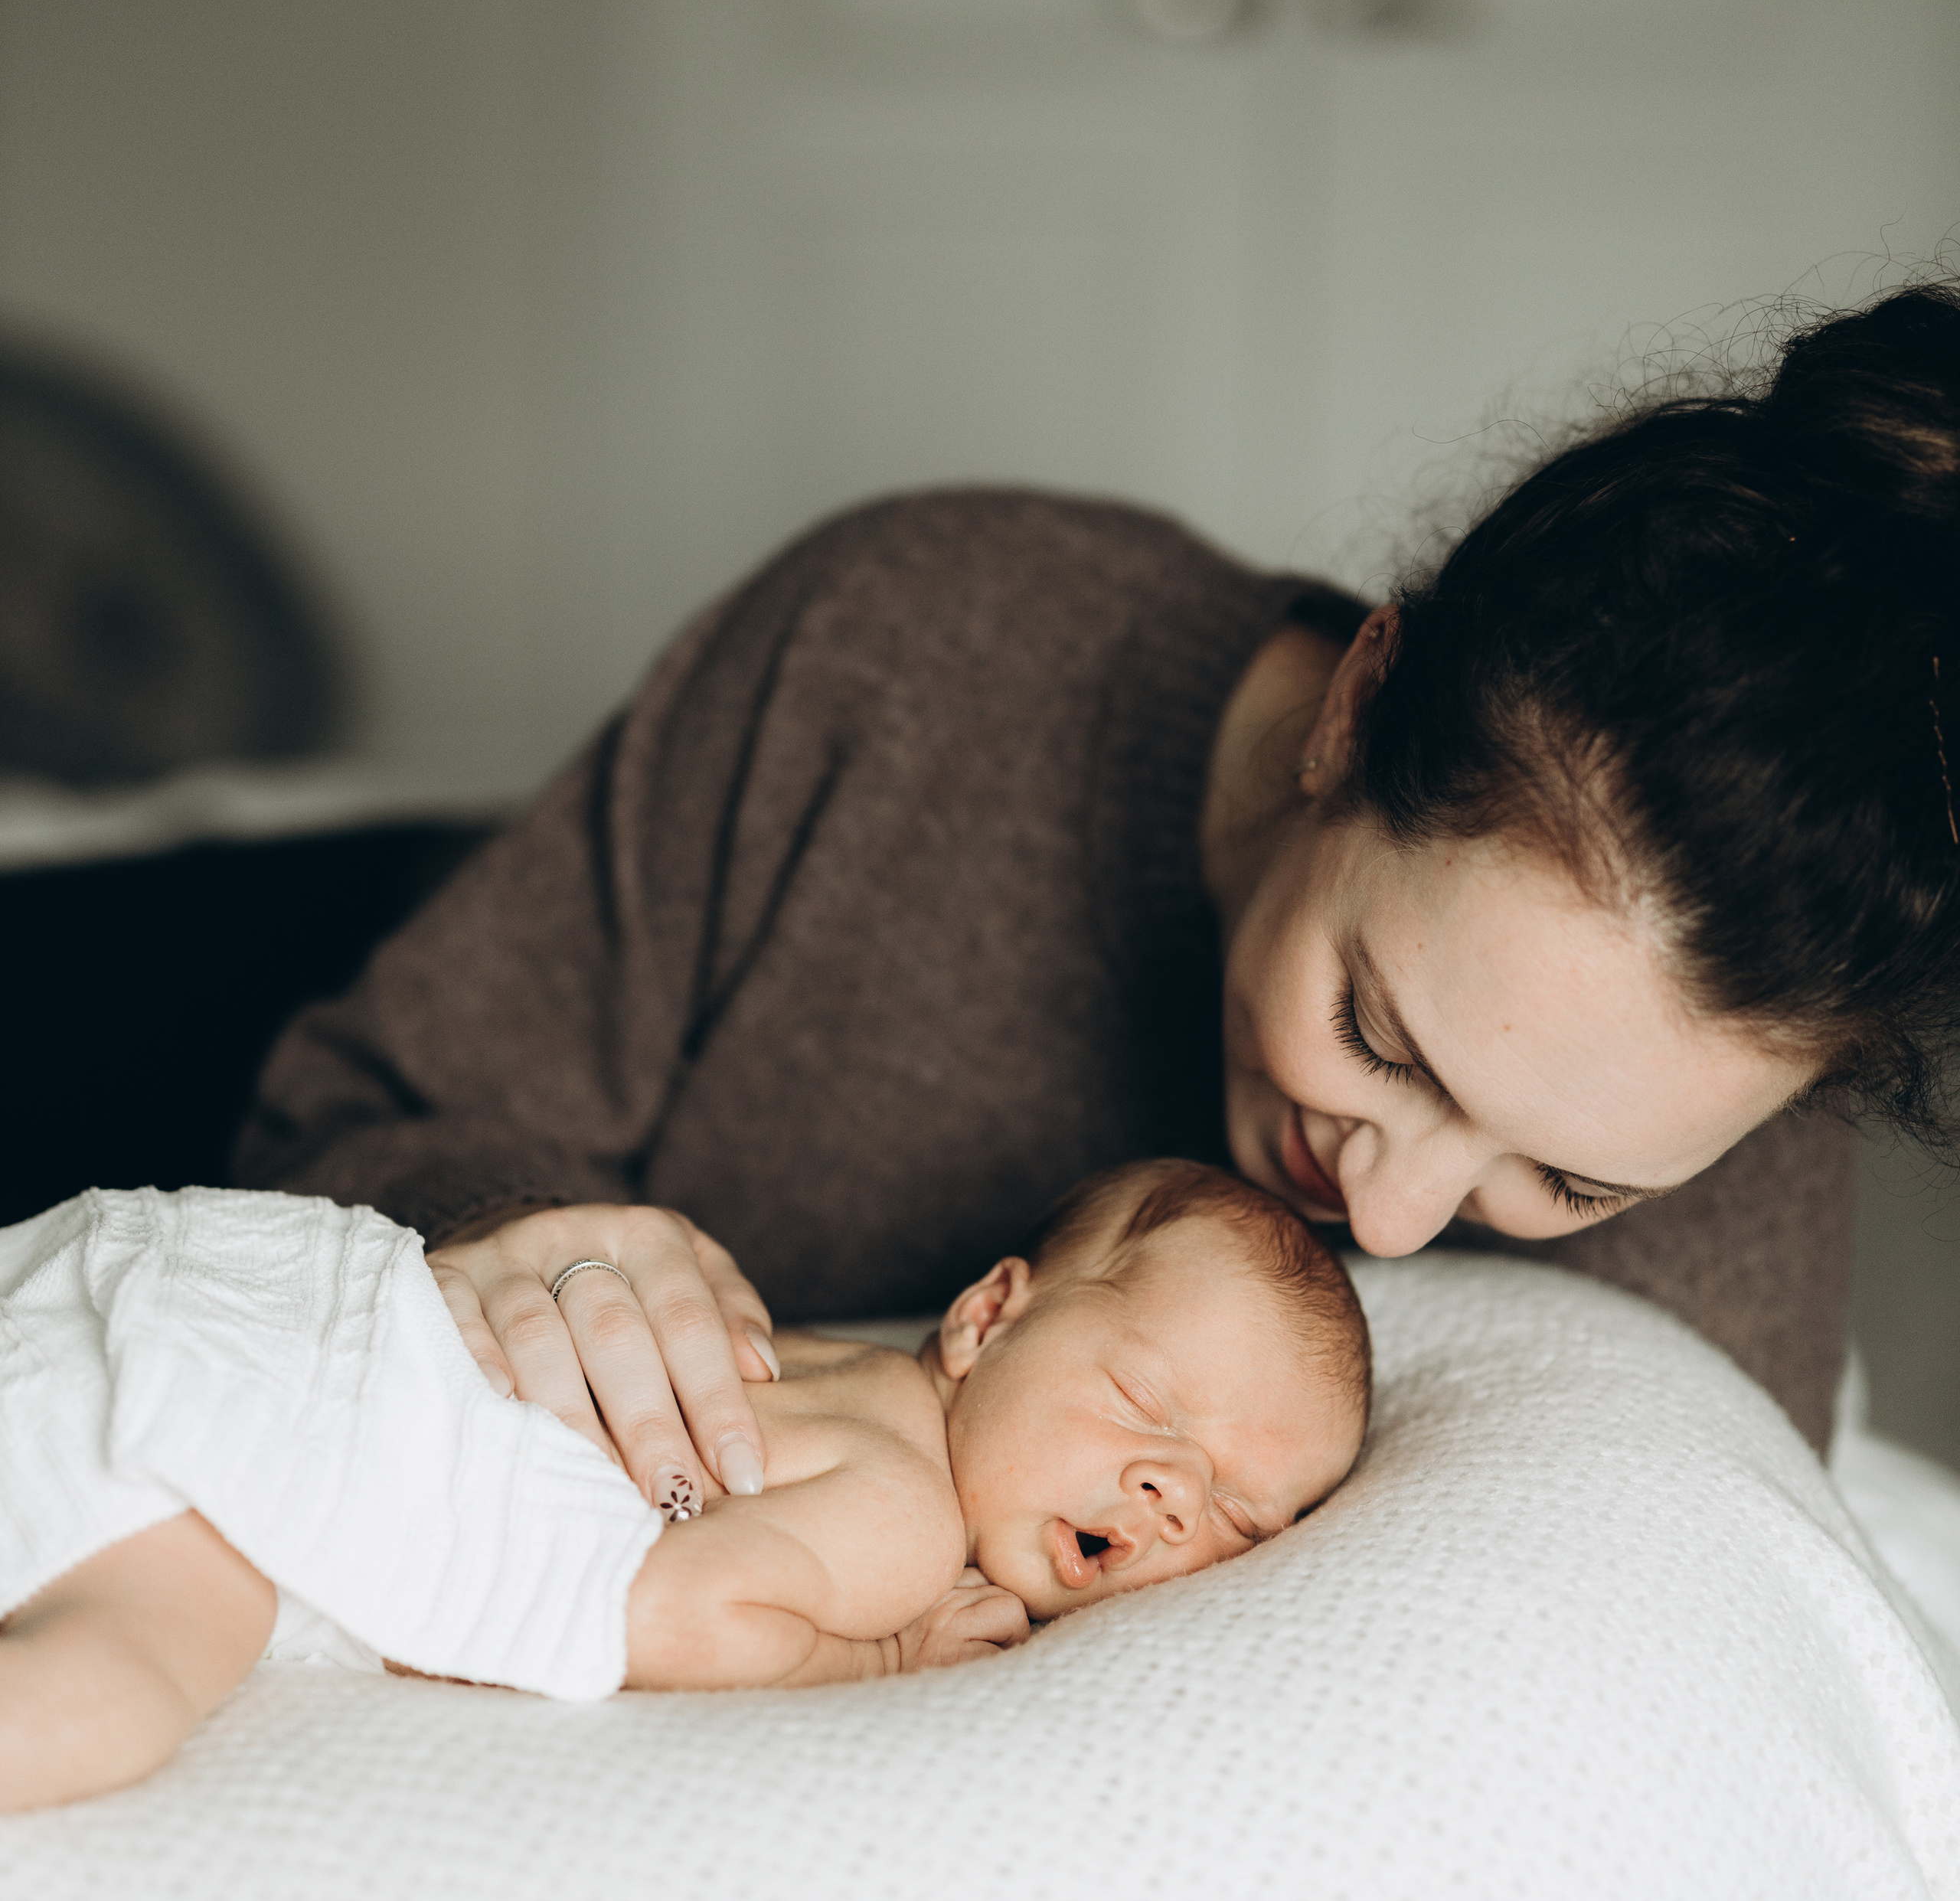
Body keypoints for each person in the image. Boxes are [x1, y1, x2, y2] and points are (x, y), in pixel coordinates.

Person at [235, 285, 1960, 1498]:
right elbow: (350, 1110)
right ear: (1358, 710)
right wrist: (513, 1232)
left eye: (1569, 1181)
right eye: (1378, 1037)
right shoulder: (905, 649)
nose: (1397, 1218)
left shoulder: (1744, 1096)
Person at [0, 1164, 1369, 1810]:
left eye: (1241, 1513)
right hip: (275, 1427)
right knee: (117, 1683)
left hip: (213, 1276)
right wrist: (885, 1651)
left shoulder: (815, 1364)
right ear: (988, 1317)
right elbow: (686, 1615)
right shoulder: (900, 1519)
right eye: (1144, 1403)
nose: (1170, 1487)